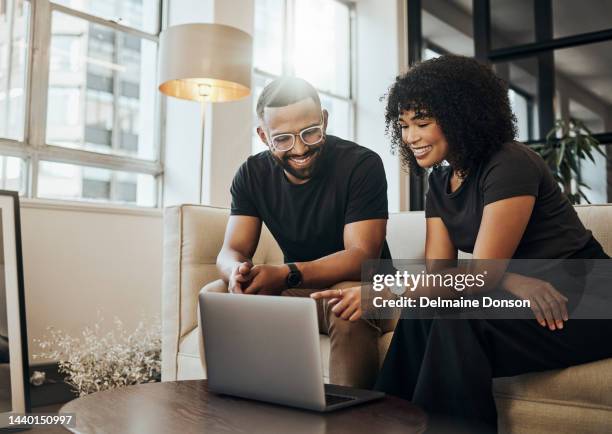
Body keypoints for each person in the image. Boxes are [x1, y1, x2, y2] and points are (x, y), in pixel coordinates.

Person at [313, 55, 612, 431]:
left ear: (462, 115)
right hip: (523, 294)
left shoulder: (510, 163)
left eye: (422, 123)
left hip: (587, 298)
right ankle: (378, 425)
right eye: (403, 126)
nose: (410, 138)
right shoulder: (440, 182)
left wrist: (381, 291)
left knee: (459, 320)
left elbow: (481, 277)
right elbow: (442, 275)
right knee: (424, 312)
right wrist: (511, 279)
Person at [206, 77, 395, 388]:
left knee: (343, 304)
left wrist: (284, 274)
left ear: (324, 120)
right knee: (215, 294)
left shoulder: (361, 165)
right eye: (282, 139)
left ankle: (350, 423)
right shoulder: (251, 175)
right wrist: (237, 271)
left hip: (367, 290)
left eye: (310, 132)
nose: (300, 148)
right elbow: (231, 250)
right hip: (302, 289)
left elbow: (362, 257)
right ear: (263, 135)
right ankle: (234, 415)